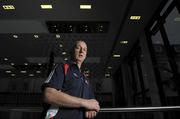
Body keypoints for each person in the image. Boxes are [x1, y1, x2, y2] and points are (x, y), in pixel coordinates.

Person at [41, 40, 100, 119]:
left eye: (85, 49)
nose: (82, 51)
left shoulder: (85, 80)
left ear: (86, 54)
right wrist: (85, 103)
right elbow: (48, 95)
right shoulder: (62, 67)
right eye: (78, 48)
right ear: (72, 52)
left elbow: (94, 103)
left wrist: (93, 109)